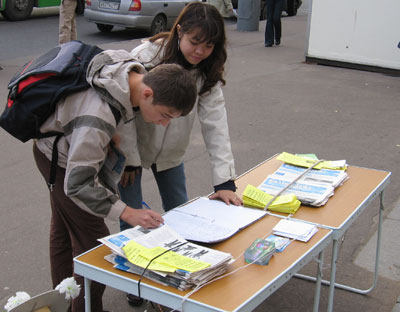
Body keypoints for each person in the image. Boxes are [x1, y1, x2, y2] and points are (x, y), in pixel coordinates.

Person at [33, 49, 197, 312]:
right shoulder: (98, 118)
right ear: (147, 94)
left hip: (58, 149)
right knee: (94, 245)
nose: (164, 124)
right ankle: (86, 308)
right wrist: (127, 212)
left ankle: (63, 305)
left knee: (64, 231)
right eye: (166, 115)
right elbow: (78, 185)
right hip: (59, 161)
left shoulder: (132, 70)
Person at [118, 2, 242, 307]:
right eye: (194, 42)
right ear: (179, 31)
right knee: (131, 213)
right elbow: (122, 111)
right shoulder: (146, 57)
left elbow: (216, 124)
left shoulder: (207, 71)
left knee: (180, 210)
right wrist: (129, 157)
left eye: (209, 45)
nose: (200, 52)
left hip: (172, 152)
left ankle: (178, 274)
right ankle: (133, 279)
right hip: (132, 148)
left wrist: (224, 181)